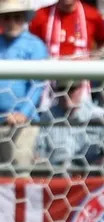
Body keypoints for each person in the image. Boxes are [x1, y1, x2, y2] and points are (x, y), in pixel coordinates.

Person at [0, 0, 47, 170]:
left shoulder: (35, 45)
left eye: (17, 17)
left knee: (20, 174)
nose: (12, 22)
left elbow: (38, 85)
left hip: (23, 126)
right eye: (7, 17)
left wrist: (23, 113)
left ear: (24, 19)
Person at [29, 0, 104, 58]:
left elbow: (103, 42)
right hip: (50, 72)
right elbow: (31, 45)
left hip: (82, 72)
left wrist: (93, 58)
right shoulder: (41, 15)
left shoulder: (93, 15)